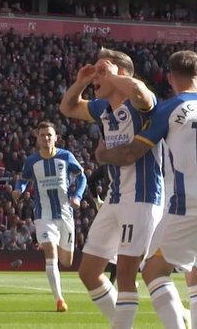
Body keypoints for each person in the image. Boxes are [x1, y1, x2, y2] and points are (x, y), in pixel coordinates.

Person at [96, 50, 197, 329]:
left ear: (171, 78)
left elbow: (131, 154)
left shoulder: (169, 109)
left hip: (187, 202)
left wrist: (103, 155)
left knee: (153, 272)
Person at [59, 49, 162, 327]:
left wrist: (115, 75)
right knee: (89, 272)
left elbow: (142, 92)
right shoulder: (102, 109)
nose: (97, 79)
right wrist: (81, 81)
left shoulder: (140, 103)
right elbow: (67, 107)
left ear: (123, 74)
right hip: (115, 199)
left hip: (142, 198)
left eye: (102, 71)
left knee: (127, 274)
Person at [13, 121, 87, 312]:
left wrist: (77, 196)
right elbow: (23, 179)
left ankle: (54, 264)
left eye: (49, 135)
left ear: (56, 137)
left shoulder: (66, 156)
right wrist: (17, 190)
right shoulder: (32, 161)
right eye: (42, 135)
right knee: (50, 252)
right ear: (37, 138)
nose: (46, 138)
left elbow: (82, 177)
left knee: (67, 262)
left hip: (65, 214)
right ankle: (59, 299)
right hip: (43, 214)